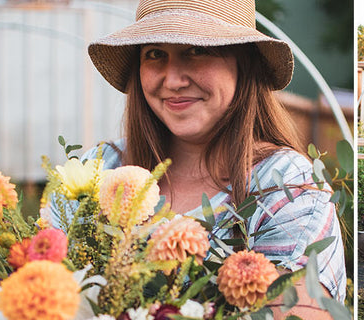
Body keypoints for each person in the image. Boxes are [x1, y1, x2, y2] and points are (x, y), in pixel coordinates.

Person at [55, 0, 346, 317]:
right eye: (155, 54)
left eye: (196, 50)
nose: (173, 80)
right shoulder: (99, 168)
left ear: (242, 62)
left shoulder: (286, 185)